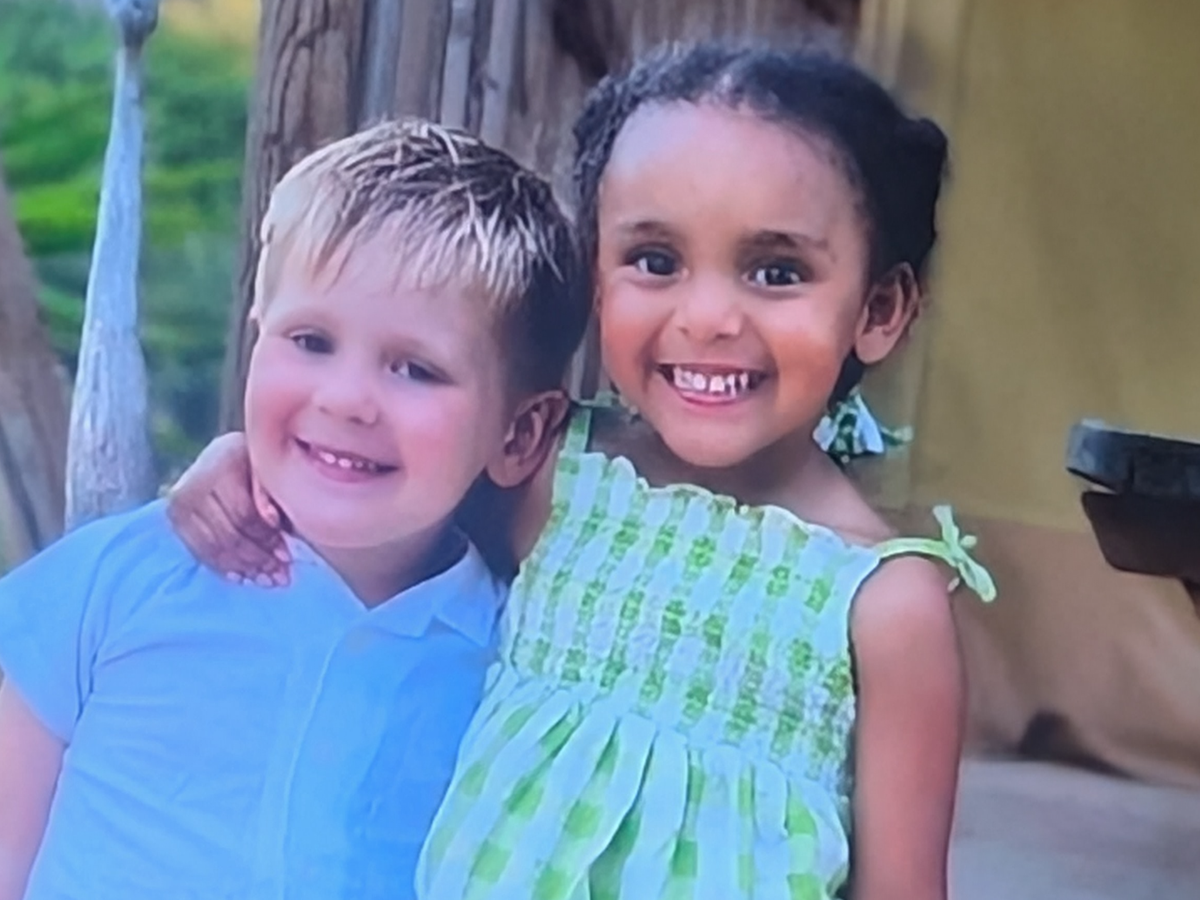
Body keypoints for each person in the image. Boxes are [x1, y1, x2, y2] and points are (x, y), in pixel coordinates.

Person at [167, 43, 996, 900]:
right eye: (655, 260)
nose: (707, 317)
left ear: (879, 309)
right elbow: (370, 509)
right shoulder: (550, 474)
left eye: (776, 272)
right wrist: (242, 465)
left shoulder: (882, 602)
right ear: (595, 274)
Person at [0, 118, 589, 900]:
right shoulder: (116, 584)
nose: (345, 399)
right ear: (257, 334)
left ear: (520, 434)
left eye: (416, 369)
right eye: (310, 341)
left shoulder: (517, 676)